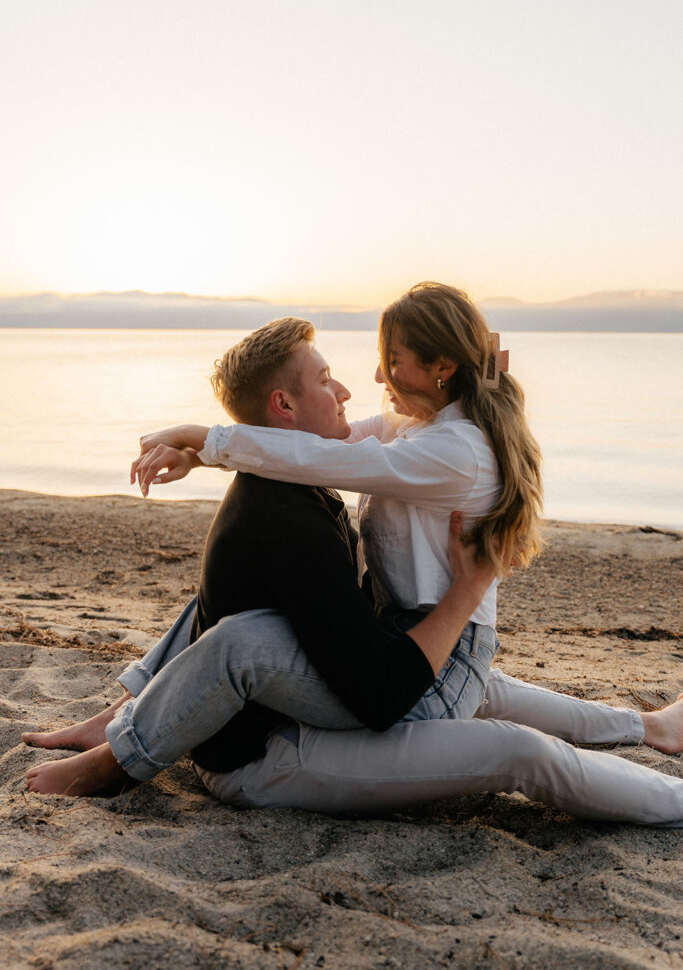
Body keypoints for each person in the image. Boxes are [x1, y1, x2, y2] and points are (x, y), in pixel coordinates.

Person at [24, 295, 683, 825]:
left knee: (500, 722)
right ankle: (648, 726)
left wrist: (205, 437)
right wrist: (208, 452)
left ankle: (666, 782)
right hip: (408, 638)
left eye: (391, 361)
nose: (366, 381)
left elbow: (325, 454)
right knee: (495, 699)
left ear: (440, 370)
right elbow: (310, 446)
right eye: (336, 374)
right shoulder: (412, 429)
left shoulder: (454, 452)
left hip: (435, 653)